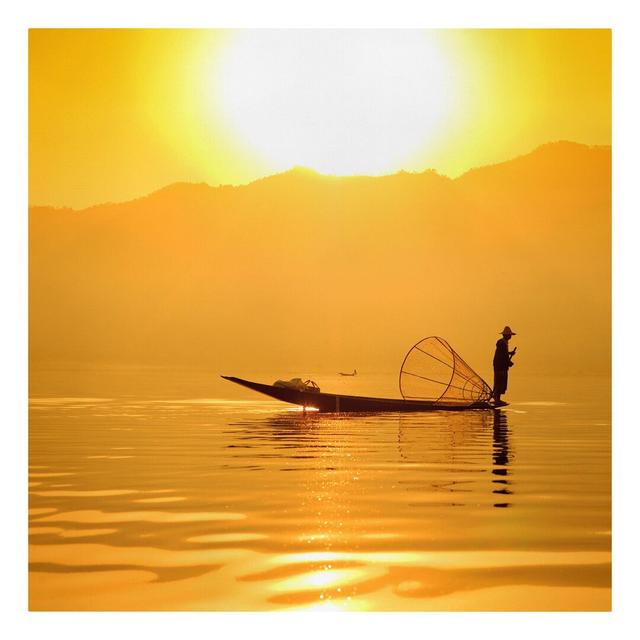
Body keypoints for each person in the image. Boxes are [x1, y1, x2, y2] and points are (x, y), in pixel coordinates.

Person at [493, 326, 517, 406]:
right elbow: (502, 355)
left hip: (501, 366)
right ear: (506, 335)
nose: (510, 336)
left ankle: (497, 399)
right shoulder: (501, 343)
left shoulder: (504, 343)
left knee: (501, 382)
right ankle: (497, 400)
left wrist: (510, 353)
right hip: (500, 366)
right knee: (499, 382)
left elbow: (504, 354)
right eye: (509, 335)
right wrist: (508, 362)